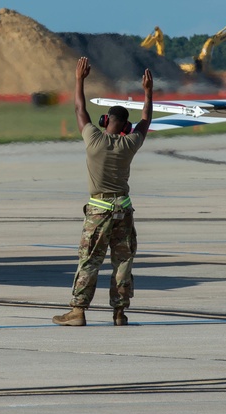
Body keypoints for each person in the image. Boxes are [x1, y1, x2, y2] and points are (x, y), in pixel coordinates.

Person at [53, 57, 152, 327]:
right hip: (124, 210)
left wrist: (79, 79)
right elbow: (145, 120)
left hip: (99, 210)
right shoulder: (129, 143)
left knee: (89, 262)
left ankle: (78, 311)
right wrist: (147, 92)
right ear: (124, 127)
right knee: (122, 263)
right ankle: (119, 313)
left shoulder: (93, 140)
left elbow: (78, 107)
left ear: (106, 120)